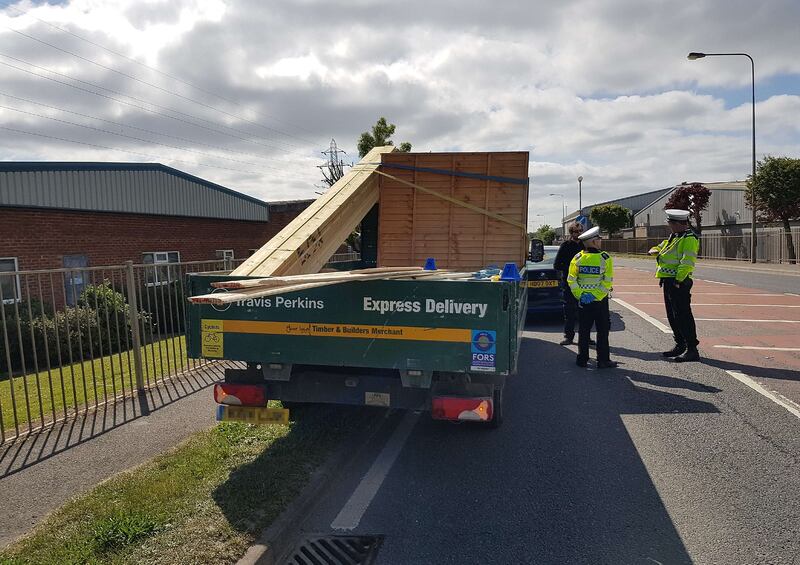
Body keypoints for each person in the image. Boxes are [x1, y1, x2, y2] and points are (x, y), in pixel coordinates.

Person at [648, 209, 700, 362]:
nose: (669, 225)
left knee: (683, 316)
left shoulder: (689, 238)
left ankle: (692, 349)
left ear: (678, 223)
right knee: (673, 316)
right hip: (668, 280)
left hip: (678, 282)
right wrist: (656, 249)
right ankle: (680, 344)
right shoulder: (675, 236)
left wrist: (678, 280)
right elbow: (664, 246)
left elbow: (687, 261)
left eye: (671, 223)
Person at [567, 227, 617, 369]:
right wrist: (596, 296)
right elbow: (607, 282)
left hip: (583, 302)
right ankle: (603, 360)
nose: (600, 241)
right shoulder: (605, 258)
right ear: (594, 241)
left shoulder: (577, 258)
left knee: (584, 330)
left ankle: (582, 359)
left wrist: (581, 296)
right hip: (600, 301)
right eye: (599, 239)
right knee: (602, 330)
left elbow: (571, 280)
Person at [554, 222, 587, 345]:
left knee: (585, 312)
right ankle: (569, 337)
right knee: (570, 311)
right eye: (576, 231)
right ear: (571, 233)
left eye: (580, 231)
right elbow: (557, 265)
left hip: (585, 283)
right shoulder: (565, 246)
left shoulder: (585, 245)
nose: (578, 234)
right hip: (570, 284)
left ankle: (586, 338)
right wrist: (572, 268)